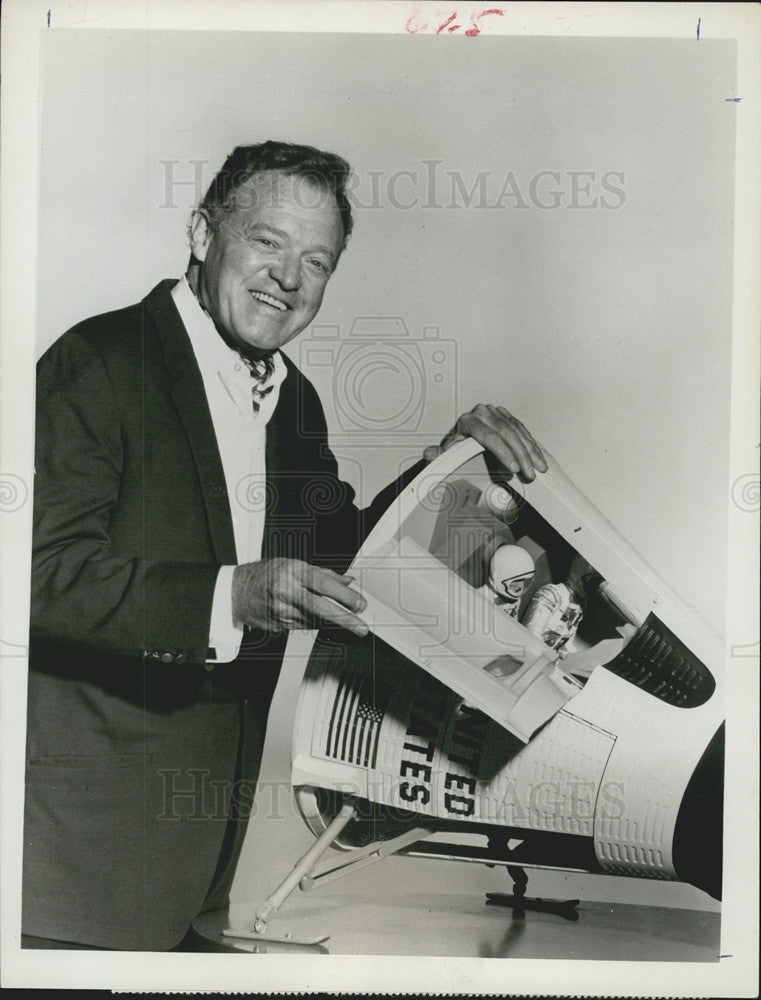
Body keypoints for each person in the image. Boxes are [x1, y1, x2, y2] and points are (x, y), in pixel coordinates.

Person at [22, 141, 547, 951]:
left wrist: (448, 470)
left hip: (202, 865)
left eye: (316, 261)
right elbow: (34, 576)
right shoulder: (98, 361)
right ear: (202, 234)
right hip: (76, 865)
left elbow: (335, 559)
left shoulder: (290, 397)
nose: (288, 279)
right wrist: (231, 594)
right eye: (266, 242)